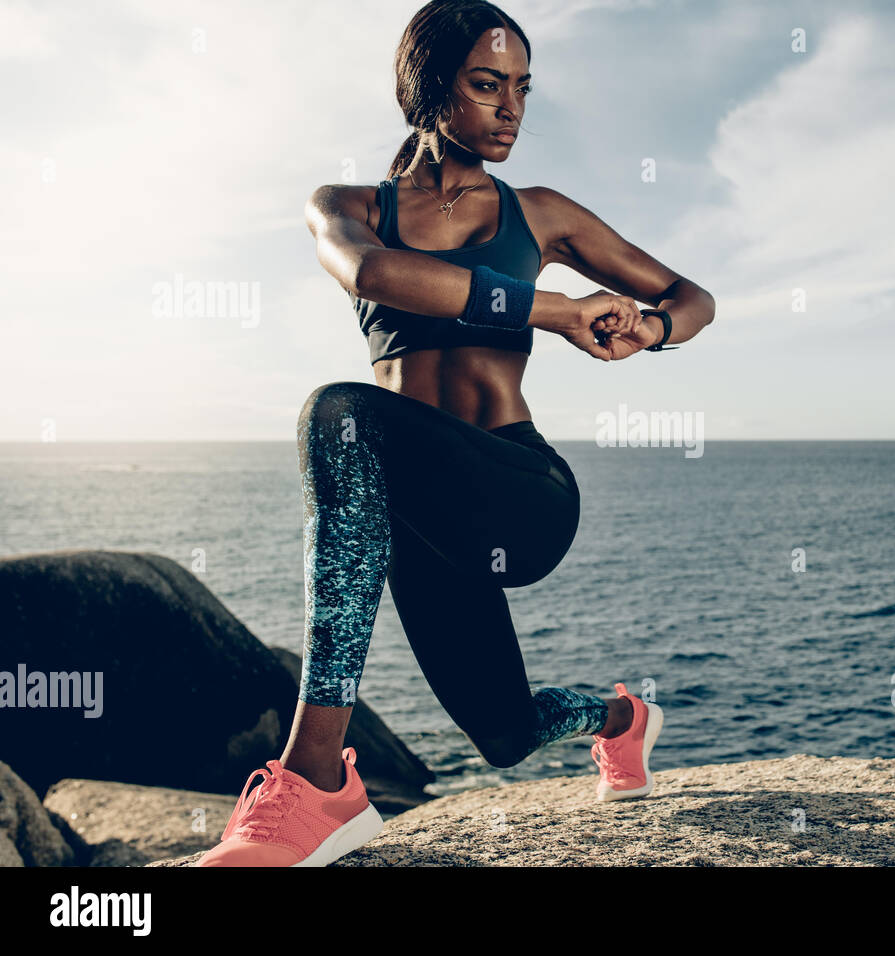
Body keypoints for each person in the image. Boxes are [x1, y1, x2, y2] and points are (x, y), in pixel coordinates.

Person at [197, 0, 714, 866]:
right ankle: (624, 720)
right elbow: (376, 272)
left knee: (338, 411)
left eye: (522, 88)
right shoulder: (347, 206)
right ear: (429, 88)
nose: (512, 107)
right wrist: (553, 310)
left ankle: (316, 780)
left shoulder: (543, 214)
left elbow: (691, 299)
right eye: (487, 85)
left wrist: (650, 331)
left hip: (520, 493)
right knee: (506, 735)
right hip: (422, 523)